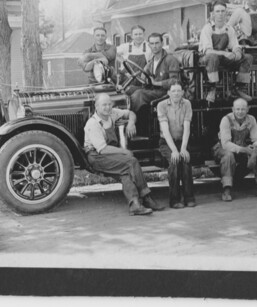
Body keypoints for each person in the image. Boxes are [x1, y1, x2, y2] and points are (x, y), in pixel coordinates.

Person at [83, 93, 164, 216]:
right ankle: (146, 197)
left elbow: (131, 113)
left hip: (109, 154)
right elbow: (102, 149)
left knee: (125, 172)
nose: (107, 107)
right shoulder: (93, 124)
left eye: (109, 104)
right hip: (97, 157)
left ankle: (135, 205)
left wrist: (131, 123)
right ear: (97, 107)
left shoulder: (112, 113)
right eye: (104, 105)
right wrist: (124, 151)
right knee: (132, 161)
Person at [213, 98, 257, 201]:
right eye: (237, 109)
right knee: (228, 155)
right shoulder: (226, 120)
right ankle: (227, 189)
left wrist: (254, 151)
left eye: (243, 109)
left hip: (241, 148)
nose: (240, 112)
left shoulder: (251, 119)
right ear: (233, 109)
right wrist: (245, 150)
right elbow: (225, 145)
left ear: (248, 109)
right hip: (222, 149)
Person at [199, 1, 253, 103]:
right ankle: (212, 89)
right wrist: (225, 53)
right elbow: (208, 51)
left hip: (222, 58)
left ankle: (239, 88)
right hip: (206, 59)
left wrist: (237, 53)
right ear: (213, 14)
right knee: (213, 57)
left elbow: (235, 45)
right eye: (217, 11)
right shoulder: (208, 28)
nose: (220, 14)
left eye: (222, 11)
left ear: (226, 13)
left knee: (248, 57)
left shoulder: (229, 29)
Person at [157, 81, 196, 209]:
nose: (176, 93)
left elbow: (187, 127)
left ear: (183, 92)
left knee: (185, 159)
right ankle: (174, 200)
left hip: (182, 141)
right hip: (167, 142)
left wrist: (183, 148)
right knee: (174, 162)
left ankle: (189, 198)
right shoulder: (161, 105)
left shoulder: (187, 104)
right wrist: (174, 150)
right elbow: (165, 130)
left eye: (179, 91)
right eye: (173, 91)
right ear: (168, 93)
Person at [130, 33, 180, 112]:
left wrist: (156, 83)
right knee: (129, 89)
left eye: (157, 43)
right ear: (149, 45)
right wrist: (144, 77)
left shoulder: (170, 59)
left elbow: (175, 81)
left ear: (162, 44)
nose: (154, 46)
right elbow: (145, 77)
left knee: (139, 94)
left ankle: (139, 123)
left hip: (165, 92)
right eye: (152, 43)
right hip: (152, 90)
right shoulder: (151, 62)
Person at [116, 25, 153, 94]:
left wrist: (146, 70)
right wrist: (124, 66)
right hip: (127, 78)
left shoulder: (149, 46)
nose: (138, 36)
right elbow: (115, 54)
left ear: (144, 35)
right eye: (136, 34)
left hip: (142, 80)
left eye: (140, 34)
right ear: (132, 36)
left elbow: (152, 61)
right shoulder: (125, 46)